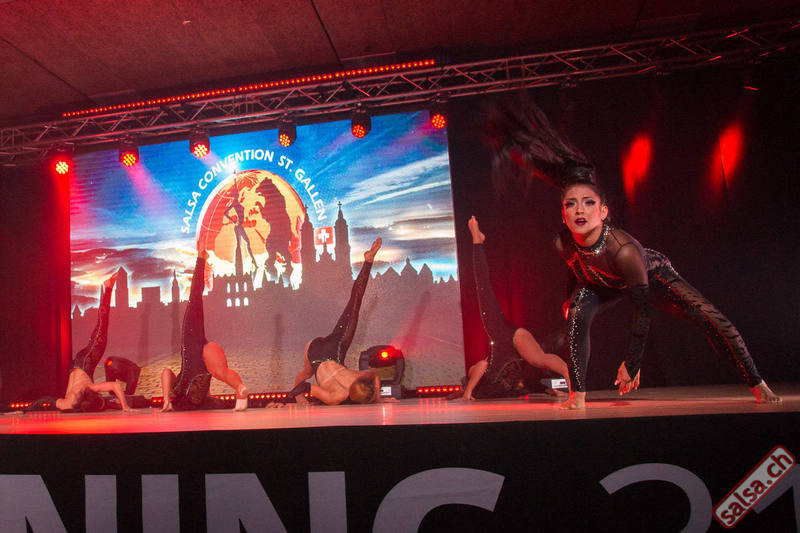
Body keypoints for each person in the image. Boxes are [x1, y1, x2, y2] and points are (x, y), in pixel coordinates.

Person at [486, 96, 781, 409]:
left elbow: (642, 309)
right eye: (571, 204)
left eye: (588, 203)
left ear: (603, 212)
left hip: (650, 275)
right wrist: (569, 298)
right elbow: (575, 266)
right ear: (563, 214)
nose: (579, 210)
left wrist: (633, 362)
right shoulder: (562, 243)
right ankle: (578, 395)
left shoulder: (624, 250)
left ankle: (757, 383)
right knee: (577, 315)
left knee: (709, 317)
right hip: (602, 282)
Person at [451, 217, 571, 401]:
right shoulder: (490, 391)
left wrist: (467, 392)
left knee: (483, 289)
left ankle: (477, 240)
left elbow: (481, 366)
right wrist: (550, 391)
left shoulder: (475, 381)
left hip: (502, 337)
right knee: (539, 358)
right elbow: (525, 384)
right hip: (511, 343)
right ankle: (572, 381)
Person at [269, 238, 383, 406]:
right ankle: (368, 261)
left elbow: (375, 376)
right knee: (306, 373)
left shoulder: (355, 378)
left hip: (333, 348)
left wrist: (379, 398)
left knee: (354, 304)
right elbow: (305, 386)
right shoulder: (336, 397)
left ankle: (368, 261)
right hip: (314, 350)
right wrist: (283, 401)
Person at [26, 270, 131, 412]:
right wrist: (25, 409)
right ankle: (108, 288)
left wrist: (125, 406)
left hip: (86, 362)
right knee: (101, 327)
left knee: (102, 327)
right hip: (75, 365)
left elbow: (116, 385)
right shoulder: (67, 404)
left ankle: (108, 288)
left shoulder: (89, 388)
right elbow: (45, 400)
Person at [160, 249, 249, 411]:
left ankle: (241, 390)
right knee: (195, 300)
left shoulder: (181, 390)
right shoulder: (180, 388)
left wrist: (167, 399)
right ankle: (239, 388)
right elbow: (166, 373)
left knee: (195, 301)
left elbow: (166, 373)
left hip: (200, 367)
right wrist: (167, 398)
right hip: (198, 354)